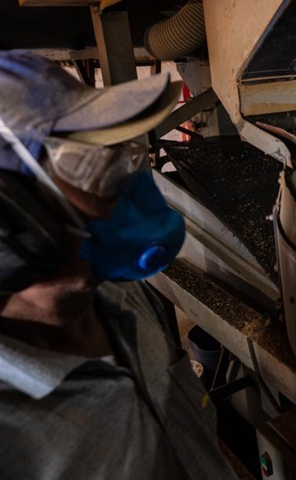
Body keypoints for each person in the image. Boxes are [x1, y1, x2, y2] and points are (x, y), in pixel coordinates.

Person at [0, 51, 237, 479]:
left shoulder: (125, 299)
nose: (132, 177)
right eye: (96, 166)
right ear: (13, 219)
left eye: (121, 153)